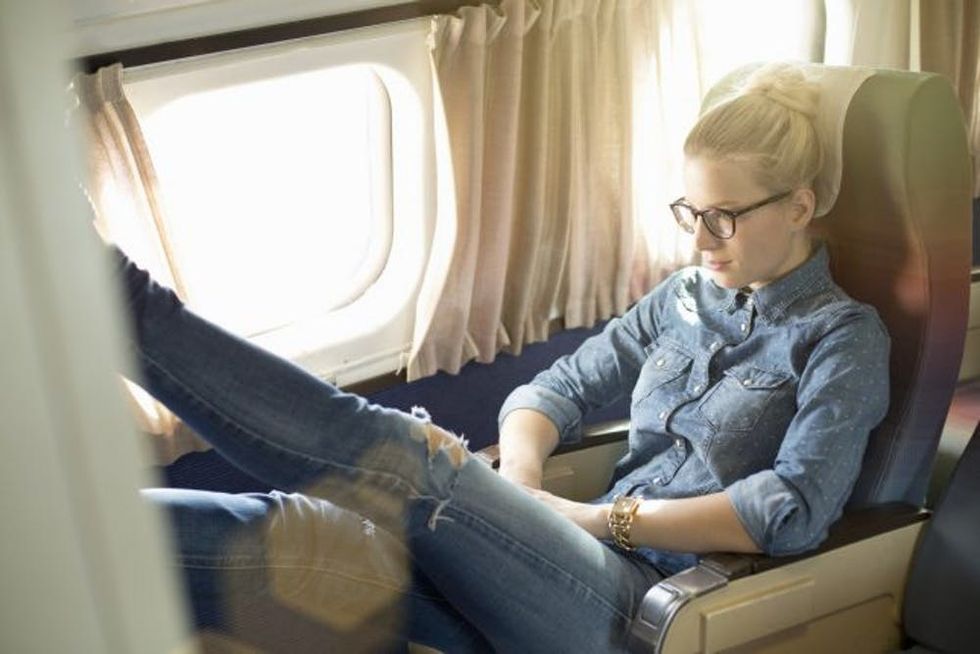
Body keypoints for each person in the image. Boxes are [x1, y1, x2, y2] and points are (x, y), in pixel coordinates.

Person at [119, 62, 888, 653]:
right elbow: (550, 392)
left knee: (411, 460)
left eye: (722, 217)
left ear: (799, 205)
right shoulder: (682, 296)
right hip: (560, 560)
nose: (698, 239)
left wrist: (595, 518)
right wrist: (519, 491)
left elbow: (787, 511)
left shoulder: (842, 337)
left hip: (653, 605)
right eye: (690, 212)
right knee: (308, 536)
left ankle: (123, 307)